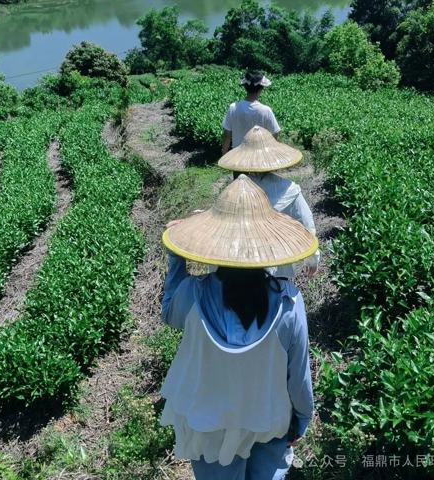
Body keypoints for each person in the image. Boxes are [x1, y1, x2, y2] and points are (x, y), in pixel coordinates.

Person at [161, 175, 317, 480]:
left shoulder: (194, 293)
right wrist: (302, 417)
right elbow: (298, 377)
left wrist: (176, 256)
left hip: (209, 422)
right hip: (268, 416)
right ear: (267, 248)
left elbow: (169, 314)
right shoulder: (288, 302)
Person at [218, 125, 321, 279]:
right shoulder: (289, 189)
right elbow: (307, 227)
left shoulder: (235, 189)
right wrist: (312, 259)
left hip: (243, 262)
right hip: (280, 259)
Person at [222, 71, 280, 156]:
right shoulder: (266, 110)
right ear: (260, 90)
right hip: (259, 158)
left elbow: (227, 135)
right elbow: (274, 133)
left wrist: (224, 155)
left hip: (237, 158)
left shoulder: (233, 108)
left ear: (245, 88)